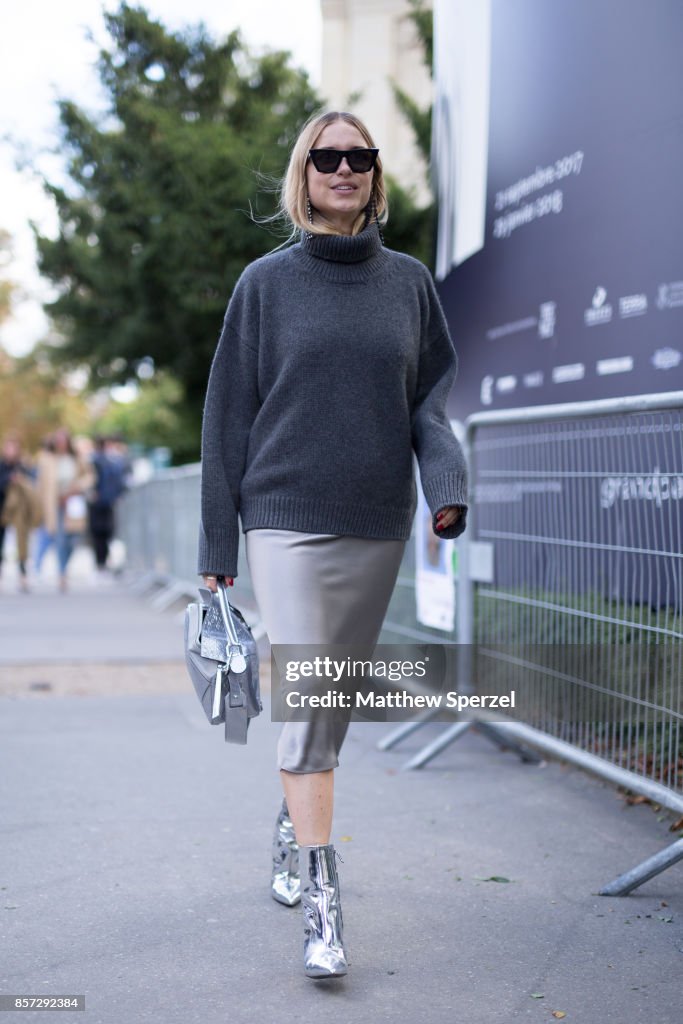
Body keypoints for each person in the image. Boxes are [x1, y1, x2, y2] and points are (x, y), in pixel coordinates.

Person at [197, 110, 468, 979]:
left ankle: (290, 820)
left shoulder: (409, 284)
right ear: (304, 174)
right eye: (327, 157)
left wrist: (447, 488)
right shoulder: (264, 285)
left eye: (358, 157)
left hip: (375, 518)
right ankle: (323, 899)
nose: (343, 168)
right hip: (281, 514)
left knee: (330, 701)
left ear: (374, 176)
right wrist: (217, 540)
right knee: (310, 687)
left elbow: (426, 402)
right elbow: (225, 417)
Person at [35, 428, 95, 592]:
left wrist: (77, 487)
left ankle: (63, 567)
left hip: (73, 502)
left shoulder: (76, 458)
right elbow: (41, 484)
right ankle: (62, 573)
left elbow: (89, 476)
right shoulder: (47, 459)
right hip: (55, 505)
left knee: (74, 539)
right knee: (59, 538)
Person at [0, 436, 38, 592]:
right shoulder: (2, 465)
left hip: (19, 510)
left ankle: (23, 575)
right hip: (2, 507)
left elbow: (33, 481)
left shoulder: (22, 465)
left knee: (22, 541)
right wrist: (10, 479)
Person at [87, 435, 128, 577]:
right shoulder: (112, 461)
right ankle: (103, 563)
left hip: (99, 502)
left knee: (99, 533)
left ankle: (101, 563)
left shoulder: (95, 460)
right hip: (107, 501)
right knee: (105, 533)